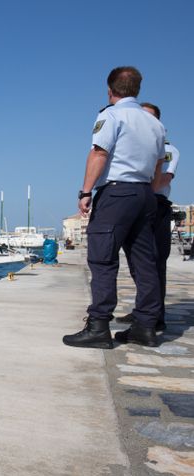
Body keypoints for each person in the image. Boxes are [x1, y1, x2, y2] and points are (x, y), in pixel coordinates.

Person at [63, 66, 166, 349]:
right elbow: (159, 167)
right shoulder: (155, 124)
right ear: (137, 90)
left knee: (103, 258)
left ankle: (98, 326)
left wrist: (85, 191)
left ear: (110, 91)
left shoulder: (111, 115)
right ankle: (145, 326)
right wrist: (146, 191)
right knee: (145, 262)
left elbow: (99, 153)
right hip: (145, 194)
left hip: (117, 193)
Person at [117, 103, 180, 331]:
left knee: (155, 262)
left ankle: (156, 316)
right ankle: (142, 311)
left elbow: (166, 178)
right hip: (135, 202)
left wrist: (142, 187)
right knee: (137, 263)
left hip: (155, 205)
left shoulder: (168, 149)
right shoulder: (133, 149)